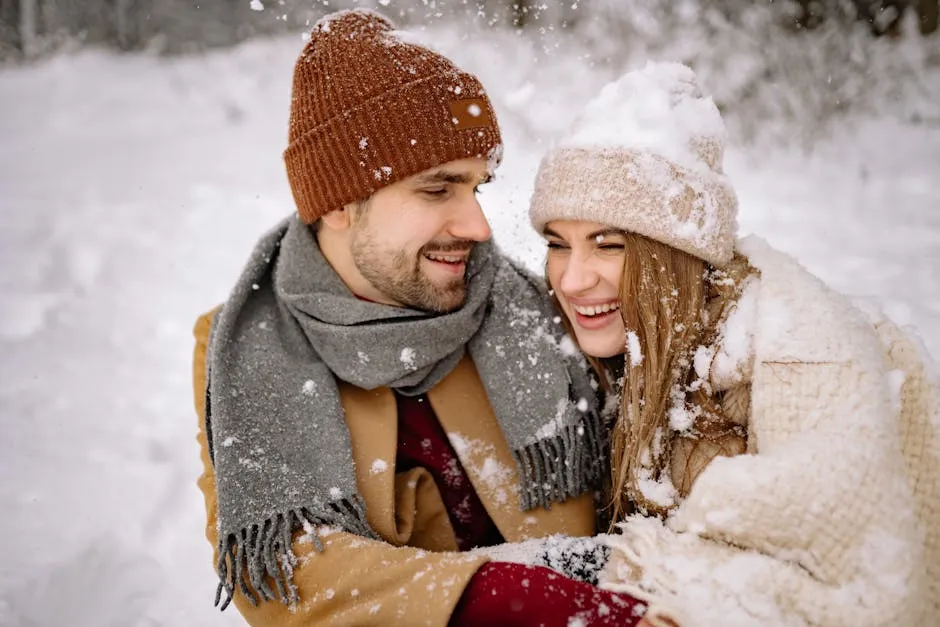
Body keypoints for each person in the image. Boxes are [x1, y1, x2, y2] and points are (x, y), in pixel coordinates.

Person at [191, 9, 656, 627]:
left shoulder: (528, 307)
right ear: (337, 205)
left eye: (476, 188)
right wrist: (520, 597)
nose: (479, 228)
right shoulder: (244, 349)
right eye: (438, 190)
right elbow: (292, 578)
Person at [527, 62, 940, 626]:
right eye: (558, 244)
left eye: (609, 246)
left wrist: (639, 572)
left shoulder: (799, 356)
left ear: (673, 256)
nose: (572, 280)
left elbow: (861, 593)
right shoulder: (622, 350)